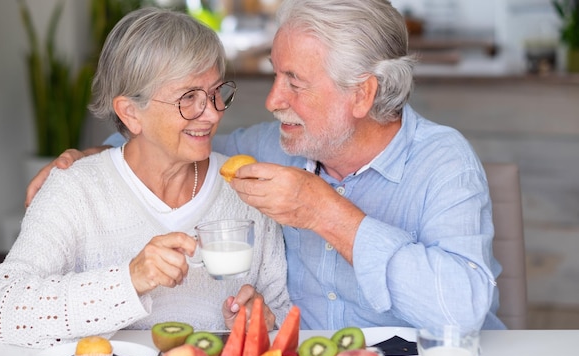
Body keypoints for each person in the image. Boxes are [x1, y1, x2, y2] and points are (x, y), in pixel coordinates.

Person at [26, 0, 505, 332]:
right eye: (276, 74)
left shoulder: (445, 164)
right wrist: (94, 159)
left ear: (362, 94)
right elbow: (175, 138)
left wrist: (325, 213)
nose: (274, 101)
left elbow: (461, 310)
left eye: (295, 82)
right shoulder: (272, 147)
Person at [0, 8, 290, 349]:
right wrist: (129, 280)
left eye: (217, 92)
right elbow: (2, 311)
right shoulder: (76, 189)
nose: (213, 112)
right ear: (130, 113)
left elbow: (281, 309)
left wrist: (263, 320)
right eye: (188, 98)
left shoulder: (246, 193)